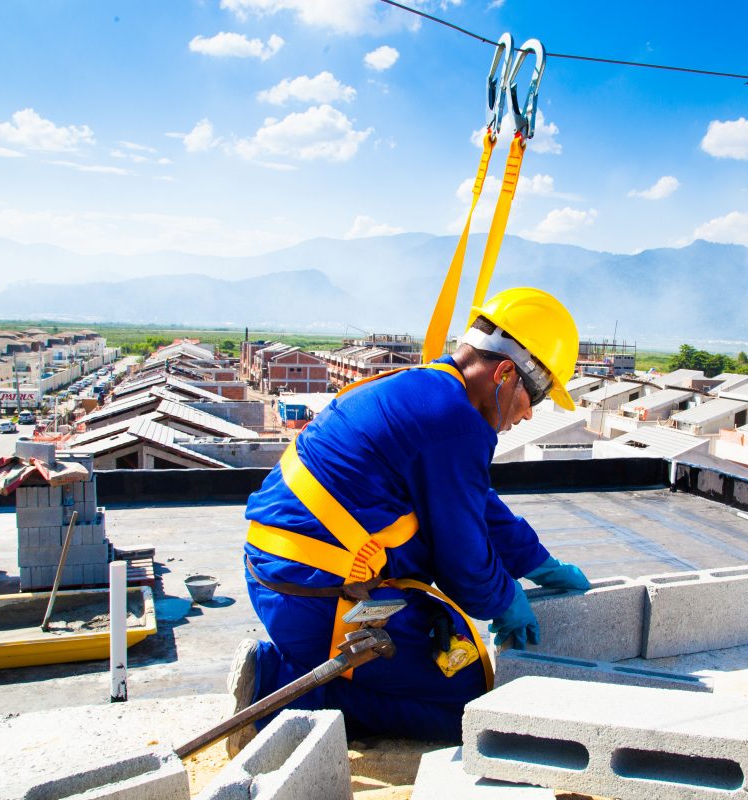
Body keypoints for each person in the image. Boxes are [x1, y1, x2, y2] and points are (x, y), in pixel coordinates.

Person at [229, 287, 592, 748]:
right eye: (534, 395)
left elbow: (473, 500)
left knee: (448, 641)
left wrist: (536, 562)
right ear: (504, 373)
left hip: (284, 572)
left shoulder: (428, 391)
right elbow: (465, 565)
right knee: (468, 701)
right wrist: (505, 600)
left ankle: (298, 667)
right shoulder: (455, 422)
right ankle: (277, 687)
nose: (528, 413)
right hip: (314, 597)